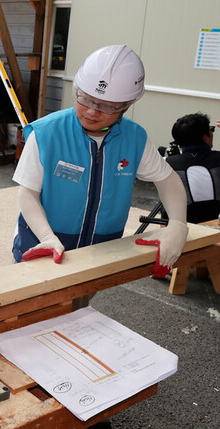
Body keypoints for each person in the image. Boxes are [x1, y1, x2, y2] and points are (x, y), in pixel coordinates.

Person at [12, 45, 188, 275]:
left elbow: (168, 180)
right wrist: (46, 236)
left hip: (102, 248)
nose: (92, 111)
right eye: (85, 99)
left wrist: (177, 224)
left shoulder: (134, 138)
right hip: (42, 243)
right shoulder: (46, 133)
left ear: (127, 105)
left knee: (81, 305)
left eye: (106, 106)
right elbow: (27, 193)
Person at [165, 112, 220, 223]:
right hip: (216, 226)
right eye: (211, 130)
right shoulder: (218, 159)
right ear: (205, 138)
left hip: (182, 227)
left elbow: (167, 206)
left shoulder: (169, 163)